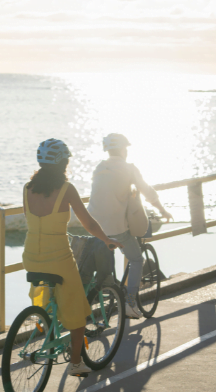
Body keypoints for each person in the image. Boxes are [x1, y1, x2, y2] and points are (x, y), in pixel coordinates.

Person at [22, 138, 123, 377]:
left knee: (53, 296)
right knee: (78, 315)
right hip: (57, 258)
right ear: (63, 163)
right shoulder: (66, 189)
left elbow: (31, 218)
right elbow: (87, 222)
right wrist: (106, 239)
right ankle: (77, 364)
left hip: (31, 256)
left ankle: (48, 322)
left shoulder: (27, 188)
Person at [87, 133, 173, 319]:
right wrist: (163, 211)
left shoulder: (99, 167)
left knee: (102, 264)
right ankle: (131, 302)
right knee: (136, 260)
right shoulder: (129, 168)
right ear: (124, 149)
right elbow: (148, 192)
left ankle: (101, 296)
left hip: (92, 225)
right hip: (116, 228)